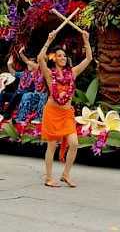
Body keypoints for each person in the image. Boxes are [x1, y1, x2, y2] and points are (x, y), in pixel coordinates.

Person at [37, 29, 92, 187]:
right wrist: (49, 40)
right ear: (54, 59)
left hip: (66, 113)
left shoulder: (73, 73)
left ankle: (66, 174)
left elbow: (89, 58)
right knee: (52, 145)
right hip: (52, 112)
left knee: (74, 143)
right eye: (59, 56)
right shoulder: (49, 74)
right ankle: (48, 177)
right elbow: (41, 58)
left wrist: (86, 40)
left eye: (64, 55)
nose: (62, 58)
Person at [16, 46, 48, 124]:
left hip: (45, 93)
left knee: (43, 96)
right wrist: (21, 53)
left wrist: (41, 91)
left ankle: (39, 118)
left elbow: (46, 85)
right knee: (26, 95)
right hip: (36, 92)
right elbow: (26, 61)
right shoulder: (37, 67)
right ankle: (21, 117)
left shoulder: (47, 70)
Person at [0, 55, 36, 122]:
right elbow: (13, 73)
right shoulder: (24, 73)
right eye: (27, 64)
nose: (28, 66)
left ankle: (7, 113)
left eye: (30, 64)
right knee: (2, 95)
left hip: (24, 97)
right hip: (16, 94)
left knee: (17, 95)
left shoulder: (38, 76)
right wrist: (9, 65)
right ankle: (0, 112)